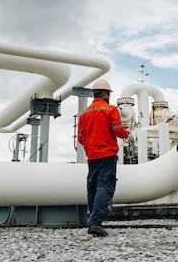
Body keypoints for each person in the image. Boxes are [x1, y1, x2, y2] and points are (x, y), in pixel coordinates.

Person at [77, 78, 129, 237]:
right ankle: (95, 223)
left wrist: (91, 144)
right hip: (107, 154)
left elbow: (80, 137)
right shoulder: (110, 109)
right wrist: (127, 134)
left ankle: (93, 218)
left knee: (92, 187)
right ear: (106, 94)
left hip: (92, 156)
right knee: (105, 187)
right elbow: (118, 130)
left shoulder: (84, 114)